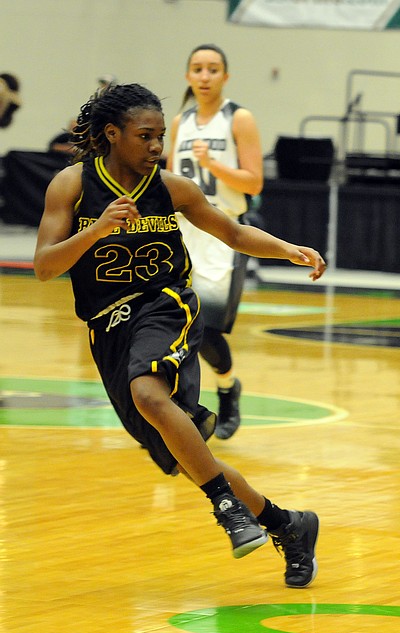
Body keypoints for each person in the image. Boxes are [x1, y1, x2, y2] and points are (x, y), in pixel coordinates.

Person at [33, 82, 325, 588]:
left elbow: (232, 232)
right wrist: (97, 230)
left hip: (165, 306)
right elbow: (42, 267)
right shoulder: (71, 186)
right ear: (112, 134)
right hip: (108, 327)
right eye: (145, 136)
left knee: (149, 392)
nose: (155, 145)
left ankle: (227, 510)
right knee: (189, 460)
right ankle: (287, 525)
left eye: (160, 136)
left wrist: (289, 249)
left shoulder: (171, 188)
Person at [167, 44, 261, 441]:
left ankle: (227, 388)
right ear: (188, 76)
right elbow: (171, 182)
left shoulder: (238, 118)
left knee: (205, 326)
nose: (204, 76)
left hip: (223, 232)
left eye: (213, 69)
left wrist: (214, 165)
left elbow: (254, 182)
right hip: (183, 233)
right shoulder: (178, 122)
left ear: (226, 76)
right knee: (173, 322)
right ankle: (173, 412)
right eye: (197, 69)